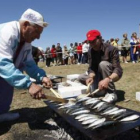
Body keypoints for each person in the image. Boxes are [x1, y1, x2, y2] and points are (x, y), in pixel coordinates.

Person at [0, 8, 52, 122]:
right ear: (26, 25)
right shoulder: (7, 32)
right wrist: (29, 85)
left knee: (10, 77)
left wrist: (41, 76)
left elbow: (29, 64)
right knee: (8, 71)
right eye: (37, 32)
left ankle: (1, 113)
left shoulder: (26, 42)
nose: (38, 37)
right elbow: (3, 64)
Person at [78, 30, 123, 103]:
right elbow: (91, 67)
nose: (92, 44)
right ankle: (100, 89)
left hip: (111, 75)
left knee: (103, 64)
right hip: (98, 74)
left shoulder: (111, 49)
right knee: (81, 77)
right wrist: (91, 77)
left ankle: (111, 93)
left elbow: (117, 70)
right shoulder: (90, 51)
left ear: (100, 38)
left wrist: (108, 79)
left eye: (93, 41)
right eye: (90, 42)